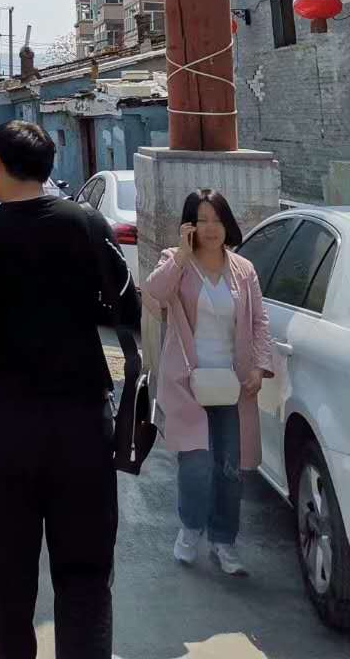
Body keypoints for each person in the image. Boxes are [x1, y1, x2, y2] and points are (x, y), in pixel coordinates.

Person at [0, 121, 139, 659]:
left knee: (8, 570)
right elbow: (126, 303)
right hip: (83, 420)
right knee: (86, 571)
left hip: (12, 421)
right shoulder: (88, 223)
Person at [144, 188, 272, 577]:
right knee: (196, 463)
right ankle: (190, 528)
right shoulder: (175, 261)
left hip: (233, 385)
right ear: (189, 226)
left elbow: (259, 321)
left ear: (227, 223)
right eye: (201, 220)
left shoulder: (243, 270)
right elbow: (153, 294)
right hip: (188, 382)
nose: (210, 228)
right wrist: (182, 255)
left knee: (229, 467)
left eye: (216, 219)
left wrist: (259, 367)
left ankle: (223, 540)